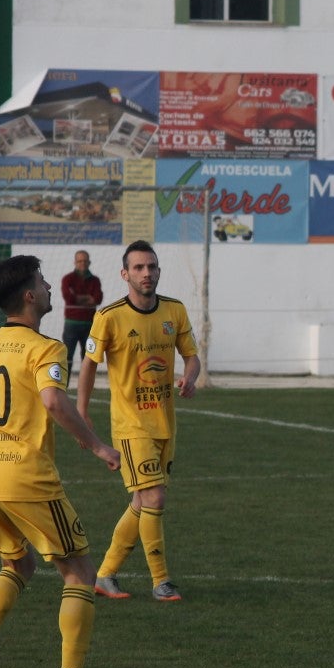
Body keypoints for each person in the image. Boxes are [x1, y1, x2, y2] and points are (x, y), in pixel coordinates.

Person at [0, 255, 120, 668]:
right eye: (43, 281)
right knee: (80, 573)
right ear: (30, 296)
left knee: (18, 565)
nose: (50, 286)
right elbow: (53, 401)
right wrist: (97, 447)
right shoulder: (46, 348)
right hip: (25, 477)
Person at [76, 239, 202, 601]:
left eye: (152, 267)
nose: (147, 273)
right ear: (125, 274)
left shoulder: (174, 311)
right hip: (131, 426)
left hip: (165, 423)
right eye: (139, 268)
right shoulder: (109, 315)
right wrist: (83, 412)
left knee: (141, 503)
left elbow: (192, 356)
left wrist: (189, 377)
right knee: (155, 497)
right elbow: (88, 366)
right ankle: (161, 581)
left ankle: (105, 575)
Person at [61, 250, 103, 369]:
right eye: (79, 261)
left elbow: (98, 299)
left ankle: (85, 386)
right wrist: (88, 298)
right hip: (71, 324)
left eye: (85, 261)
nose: (82, 263)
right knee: (67, 357)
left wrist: (77, 297)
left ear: (89, 262)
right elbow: (68, 297)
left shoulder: (95, 280)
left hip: (90, 324)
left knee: (88, 358)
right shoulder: (67, 279)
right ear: (75, 262)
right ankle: (64, 387)